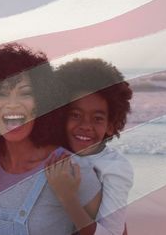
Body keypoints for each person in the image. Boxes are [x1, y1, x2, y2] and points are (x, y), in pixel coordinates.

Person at [0, 43, 101, 234]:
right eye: (1, 93)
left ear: (41, 102)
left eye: (25, 93)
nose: (13, 105)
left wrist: (68, 199)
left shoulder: (71, 167)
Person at [46, 58, 134, 235]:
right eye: (76, 115)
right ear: (61, 115)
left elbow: (111, 233)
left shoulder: (115, 168)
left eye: (98, 118)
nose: (86, 125)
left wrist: (68, 198)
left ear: (111, 124)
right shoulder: (52, 148)